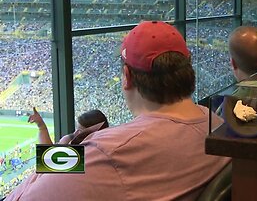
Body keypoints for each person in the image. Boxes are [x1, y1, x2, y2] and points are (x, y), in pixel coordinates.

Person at [6, 21, 231, 200]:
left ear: (127, 77)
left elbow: (34, 191)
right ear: (187, 71)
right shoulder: (218, 125)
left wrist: (63, 149)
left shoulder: (107, 152)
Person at [28, 107, 109, 145]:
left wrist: (42, 127)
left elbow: (48, 157)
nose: (76, 133)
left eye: (80, 131)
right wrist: (41, 126)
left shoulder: (87, 156)